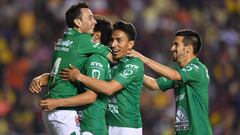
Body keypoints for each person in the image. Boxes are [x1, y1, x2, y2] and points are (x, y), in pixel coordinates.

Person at [29, 2, 113, 135]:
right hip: (62, 111)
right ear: (78, 22)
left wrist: (40, 78)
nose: (94, 22)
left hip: (50, 109)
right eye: (89, 18)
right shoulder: (84, 41)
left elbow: (58, 73)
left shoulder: (63, 39)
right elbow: (114, 58)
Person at [60, 21, 144, 135]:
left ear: (130, 44)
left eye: (119, 40)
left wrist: (79, 76)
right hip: (106, 125)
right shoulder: (110, 60)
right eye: (112, 40)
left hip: (126, 128)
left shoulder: (133, 64)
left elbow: (109, 89)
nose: (113, 44)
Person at [128, 29, 212, 135]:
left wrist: (142, 58)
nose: (172, 48)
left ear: (189, 49)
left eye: (176, 45)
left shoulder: (197, 69)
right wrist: (132, 69)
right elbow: (153, 85)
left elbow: (173, 75)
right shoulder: (180, 73)